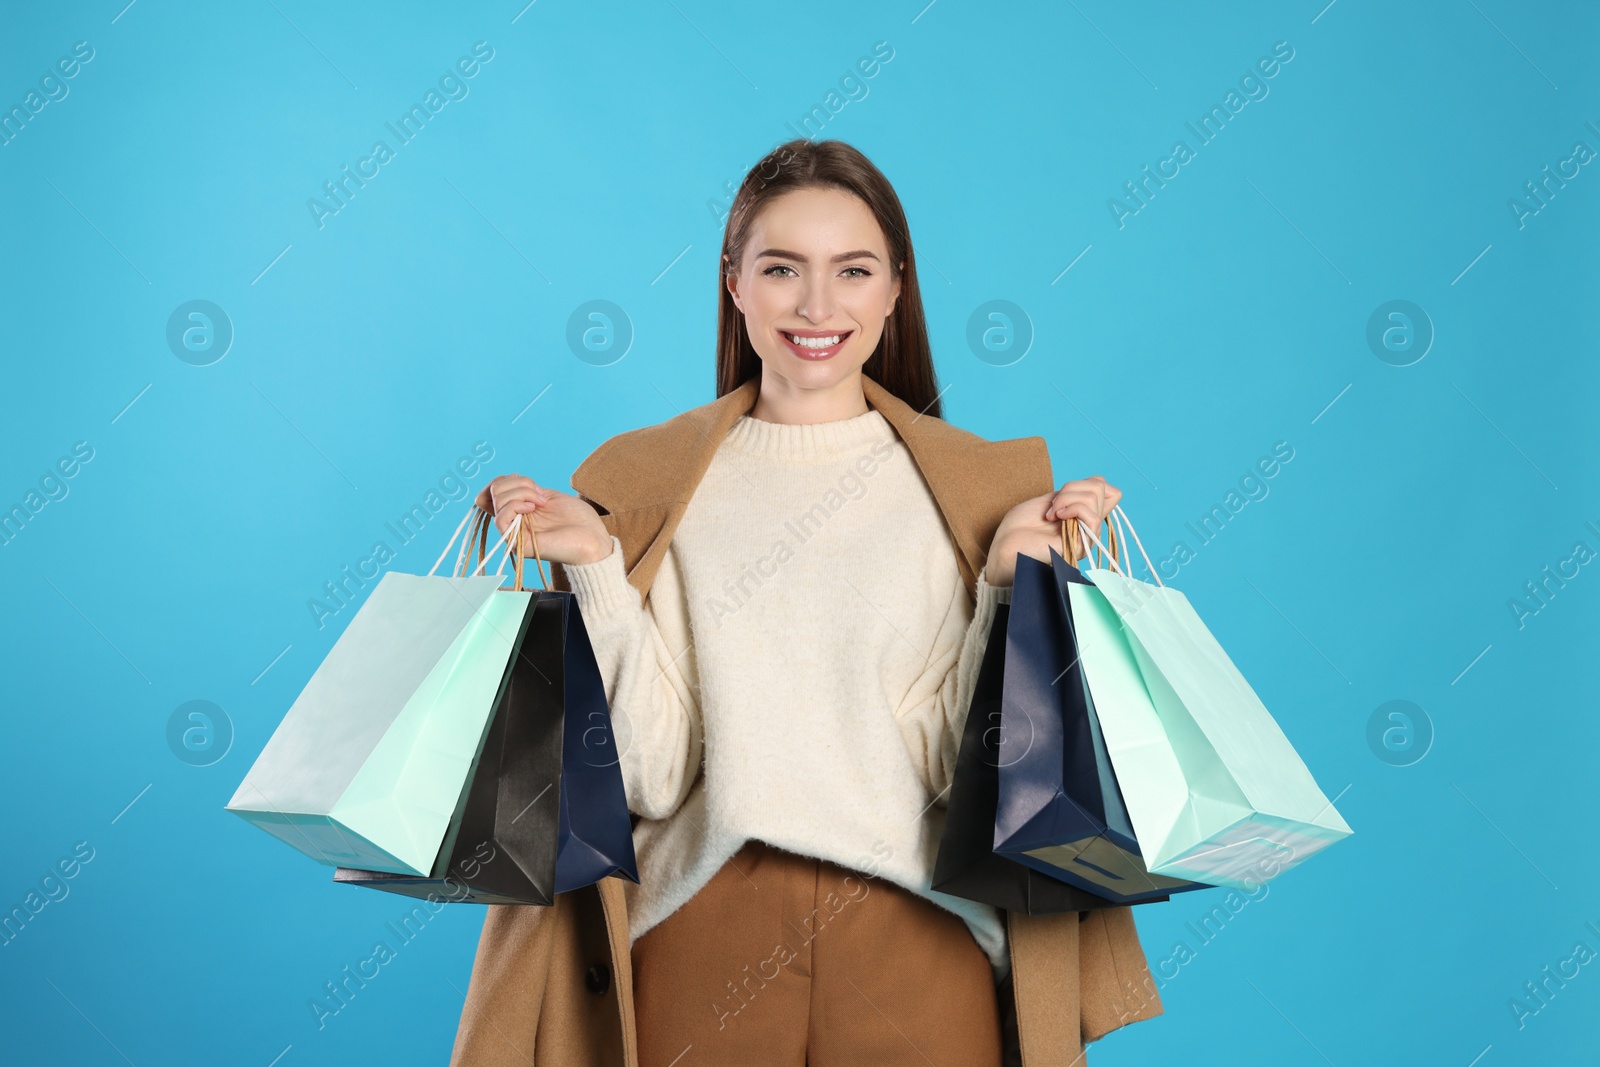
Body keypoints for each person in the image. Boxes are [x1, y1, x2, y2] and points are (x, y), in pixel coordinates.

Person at [462, 138, 1156, 1066]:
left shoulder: (978, 495)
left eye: (853, 270)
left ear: (895, 289)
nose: (819, 306)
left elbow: (969, 777)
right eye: (783, 268)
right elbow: (653, 775)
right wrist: (592, 567)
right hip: (702, 934)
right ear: (734, 283)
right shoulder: (649, 483)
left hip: (923, 944)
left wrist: (1008, 584)